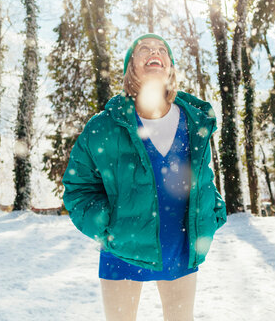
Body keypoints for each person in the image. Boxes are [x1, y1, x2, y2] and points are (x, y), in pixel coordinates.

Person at [62, 33, 227, 321]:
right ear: (131, 68)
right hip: (122, 250)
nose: (155, 52)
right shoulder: (105, 127)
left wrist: (213, 212)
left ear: (170, 67)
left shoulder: (194, 121)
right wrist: (107, 224)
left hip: (181, 248)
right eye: (145, 49)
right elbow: (79, 188)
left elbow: (203, 178)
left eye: (162, 49)